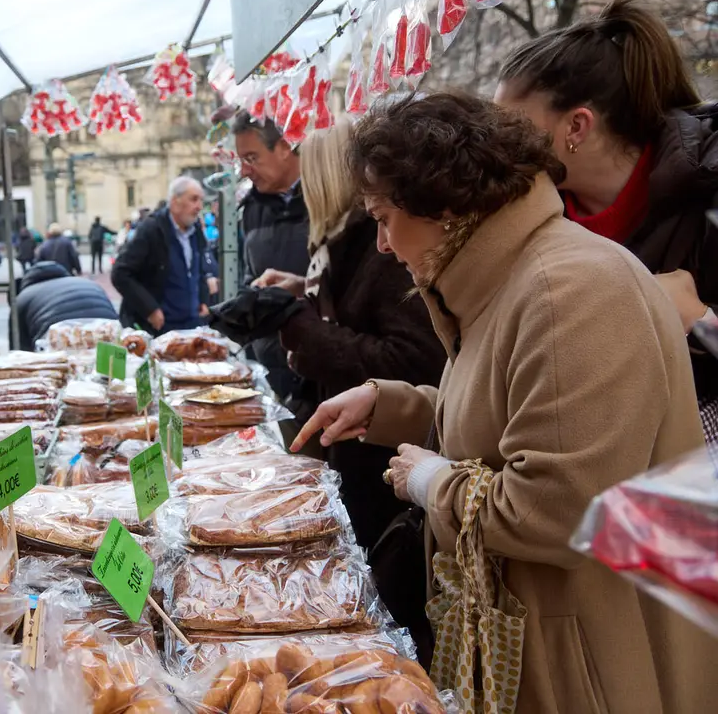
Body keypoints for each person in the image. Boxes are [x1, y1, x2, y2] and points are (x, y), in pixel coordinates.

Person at [293, 92, 716, 714]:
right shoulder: (511, 280)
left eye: (384, 217)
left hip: (586, 662)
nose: (381, 243)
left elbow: (555, 508)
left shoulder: (569, 289)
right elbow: (513, 416)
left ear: (443, 205)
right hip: (543, 641)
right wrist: (391, 405)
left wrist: (432, 482)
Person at [496, 0, 718, 443]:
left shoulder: (707, 187)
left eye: (511, 131)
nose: (496, 150)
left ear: (576, 127)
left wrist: (699, 319)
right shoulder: (528, 224)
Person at [253, 119, 446, 550]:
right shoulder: (343, 243)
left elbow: (413, 358)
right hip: (360, 450)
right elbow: (352, 314)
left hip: (386, 467)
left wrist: (298, 323)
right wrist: (301, 291)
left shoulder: (384, 249)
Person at [232, 110, 311, 403]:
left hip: (322, 369)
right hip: (272, 371)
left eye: (251, 158)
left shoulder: (326, 196)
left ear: (285, 147)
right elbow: (250, 275)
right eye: (241, 160)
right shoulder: (252, 208)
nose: (244, 170)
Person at [112, 177, 216, 334]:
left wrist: (203, 299)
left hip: (190, 324)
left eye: (201, 200)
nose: (199, 207)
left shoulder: (196, 231)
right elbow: (120, 273)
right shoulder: (151, 229)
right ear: (175, 201)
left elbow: (197, 268)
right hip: (158, 328)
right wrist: (150, 309)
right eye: (194, 199)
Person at [14, 261, 118, 347]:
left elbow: (18, 348)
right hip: (107, 329)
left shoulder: (24, 296)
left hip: (55, 338)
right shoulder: (89, 283)